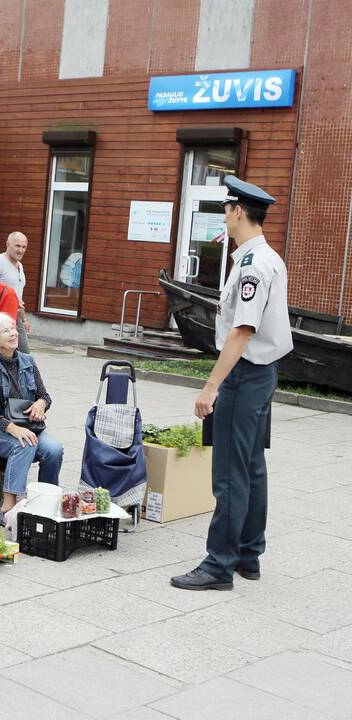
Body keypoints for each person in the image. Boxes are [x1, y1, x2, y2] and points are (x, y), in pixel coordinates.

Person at [171, 176, 293, 592]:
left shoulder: (253, 265)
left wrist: (211, 388)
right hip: (262, 374)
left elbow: (242, 331)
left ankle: (219, 565)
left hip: (244, 375)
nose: (225, 215)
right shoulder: (264, 257)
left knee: (229, 472)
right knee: (252, 467)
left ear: (239, 211)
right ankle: (247, 554)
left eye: (226, 209)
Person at [0, 312, 62, 525]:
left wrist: (41, 404)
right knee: (25, 444)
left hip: (29, 428)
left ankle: (46, 501)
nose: (14, 333)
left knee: (54, 450)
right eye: (6, 330)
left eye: (13, 328)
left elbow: (45, 396)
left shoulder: (28, 361)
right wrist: (11, 428)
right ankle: (8, 507)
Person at [0, 232, 32, 353]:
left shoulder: (20, 266)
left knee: (21, 354)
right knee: (18, 353)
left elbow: (18, 296)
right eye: (17, 246)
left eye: (24, 247)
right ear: (8, 244)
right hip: (0, 317)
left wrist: (24, 319)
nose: (21, 250)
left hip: (15, 316)